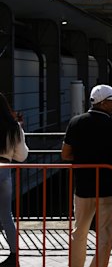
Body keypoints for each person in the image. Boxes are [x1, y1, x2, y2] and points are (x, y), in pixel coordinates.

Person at [61, 84, 112, 267]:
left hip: (83, 186)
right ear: (105, 103)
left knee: (79, 231)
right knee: (105, 234)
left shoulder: (75, 122)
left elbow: (65, 154)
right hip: (108, 187)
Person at [0, 93, 28, 267]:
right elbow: (22, 156)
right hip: (4, 170)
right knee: (6, 215)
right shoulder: (13, 127)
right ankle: (14, 255)